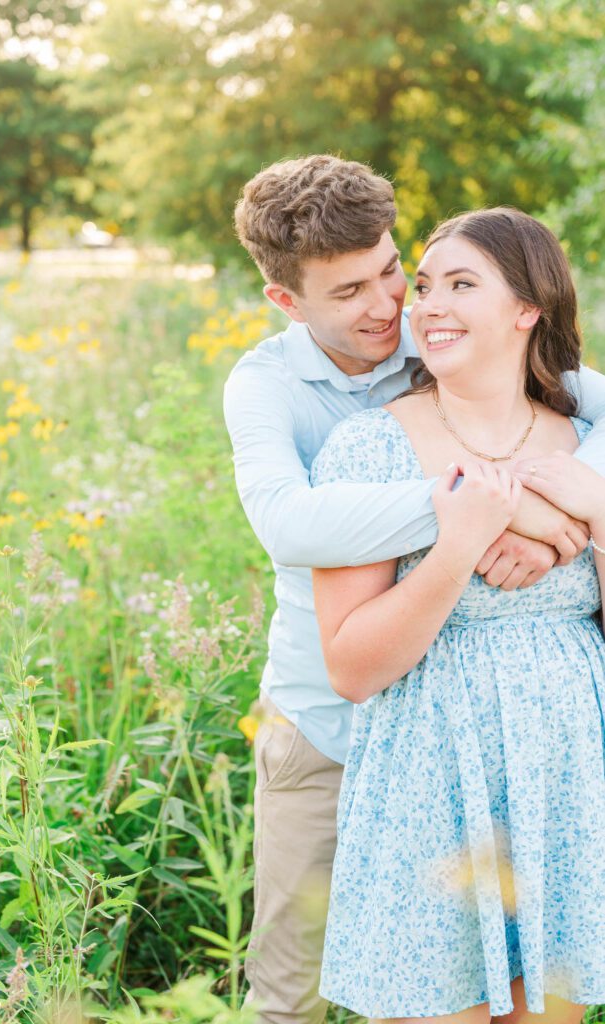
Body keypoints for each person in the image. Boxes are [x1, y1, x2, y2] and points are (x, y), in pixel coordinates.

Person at [224, 155, 605, 1024]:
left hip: (548, 766)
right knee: (292, 990)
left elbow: (585, 415)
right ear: (288, 301)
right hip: (333, 726)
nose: (395, 305)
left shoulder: (454, 344)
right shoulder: (272, 392)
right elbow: (289, 524)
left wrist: (575, 505)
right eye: (352, 289)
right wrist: (476, 512)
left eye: (399, 272)